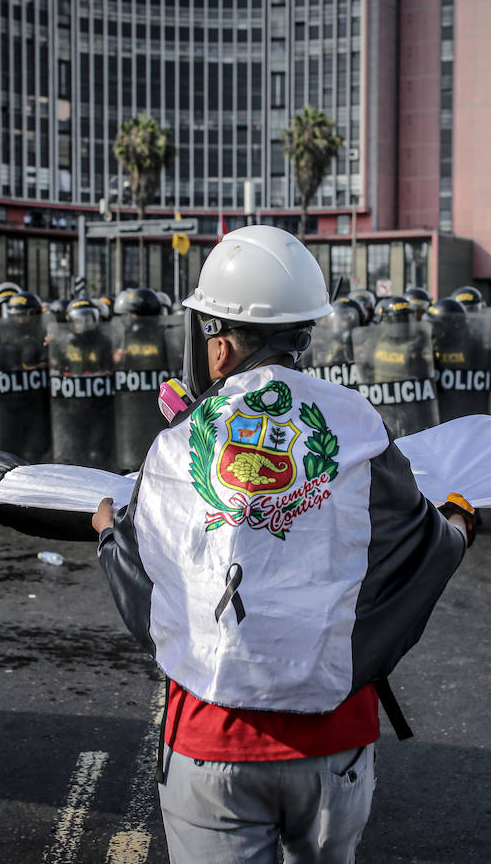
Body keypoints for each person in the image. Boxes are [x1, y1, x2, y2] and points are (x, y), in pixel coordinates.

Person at [92, 225, 471, 864]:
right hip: (333, 747)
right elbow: (419, 550)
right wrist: (458, 527)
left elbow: (151, 591)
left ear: (217, 347)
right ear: (306, 333)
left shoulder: (179, 445)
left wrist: (107, 536)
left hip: (211, 743)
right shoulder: (357, 425)